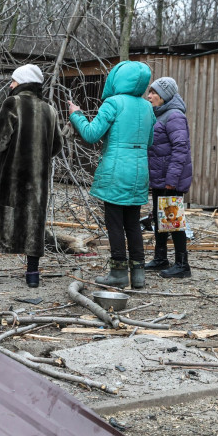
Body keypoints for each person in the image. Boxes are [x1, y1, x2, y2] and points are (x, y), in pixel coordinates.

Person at [0, 64, 63, 288]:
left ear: (22, 82)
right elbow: (57, 145)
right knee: (34, 223)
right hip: (37, 179)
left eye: (13, 81)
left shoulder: (12, 103)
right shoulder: (49, 110)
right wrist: (40, 158)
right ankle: (32, 274)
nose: (10, 85)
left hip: (10, 175)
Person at [68, 61, 155, 289]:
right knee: (133, 224)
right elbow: (150, 142)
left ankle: (118, 272)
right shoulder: (147, 107)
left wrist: (76, 115)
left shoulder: (113, 103)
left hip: (116, 171)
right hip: (139, 171)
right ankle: (138, 274)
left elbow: (91, 134)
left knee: (115, 223)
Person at [144, 77, 193, 278]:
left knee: (173, 220)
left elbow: (181, 149)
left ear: (164, 96)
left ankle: (183, 265)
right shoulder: (160, 114)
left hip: (170, 180)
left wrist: (171, 181)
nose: (149, 96)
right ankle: (161, 258)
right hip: (160, 178)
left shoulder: (174, 116)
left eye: (154, 93)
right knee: (160, 217)